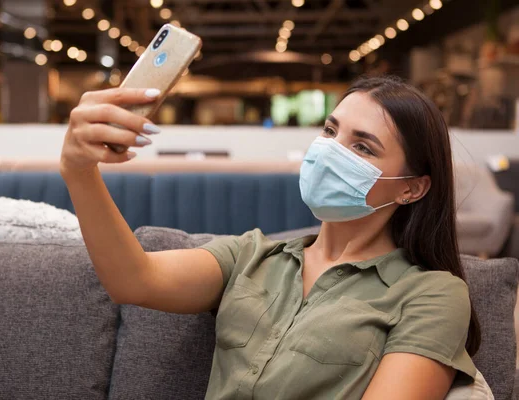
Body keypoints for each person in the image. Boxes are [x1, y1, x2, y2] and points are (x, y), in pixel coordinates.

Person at [60, 76, 480, 399]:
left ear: (412, 188)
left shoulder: (432, 295)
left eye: (363, 148)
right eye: (331, 131)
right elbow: (133, 279)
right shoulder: (250, 255)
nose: (332, 151)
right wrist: (79, 171)